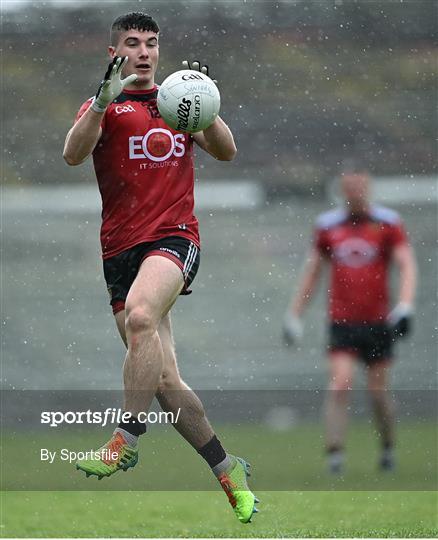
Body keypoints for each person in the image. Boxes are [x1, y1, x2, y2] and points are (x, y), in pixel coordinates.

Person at [63, 12, 258, 523]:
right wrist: (101, 104)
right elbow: (71, 154)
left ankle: (125, 437)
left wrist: (206, 104)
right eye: (133, 43)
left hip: (174, 240)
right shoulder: (104, 106)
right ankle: (227, 467)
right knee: (167, 382)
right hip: (119, 252)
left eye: (152, 43)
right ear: (115, 54)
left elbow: (228, 151)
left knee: (142, 315)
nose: (145, 52)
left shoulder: (181, 103)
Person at [283, 164, 416, 473]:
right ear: (342, 190)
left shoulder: (388, 224)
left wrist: (405, 305)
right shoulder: (328, 226)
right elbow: (313, 272)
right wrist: (294, 314)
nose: (355, 192)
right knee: (340, 385)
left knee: (378, 393)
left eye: (360, 186)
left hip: (378, 321)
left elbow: (406, 264)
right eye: (349, 187)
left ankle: (387, 447)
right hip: (342, 321)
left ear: (368, 188)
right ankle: (335, 455)